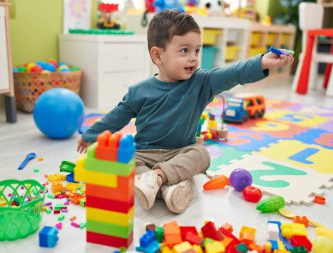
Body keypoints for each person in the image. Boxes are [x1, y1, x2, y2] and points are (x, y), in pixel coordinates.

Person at [77, 10, 294, 213]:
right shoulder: (139, 91)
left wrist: (263, 61)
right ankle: (168, 189)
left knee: (202, 154)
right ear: (158, 55)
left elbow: (233, 73)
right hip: (145, 153)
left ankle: (158, 179)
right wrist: (90, 135)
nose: (193, 57)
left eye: (197, 50)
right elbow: (117, 117)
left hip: (181, 152)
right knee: (124, 159)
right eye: (184, 50)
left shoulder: (202, 82)